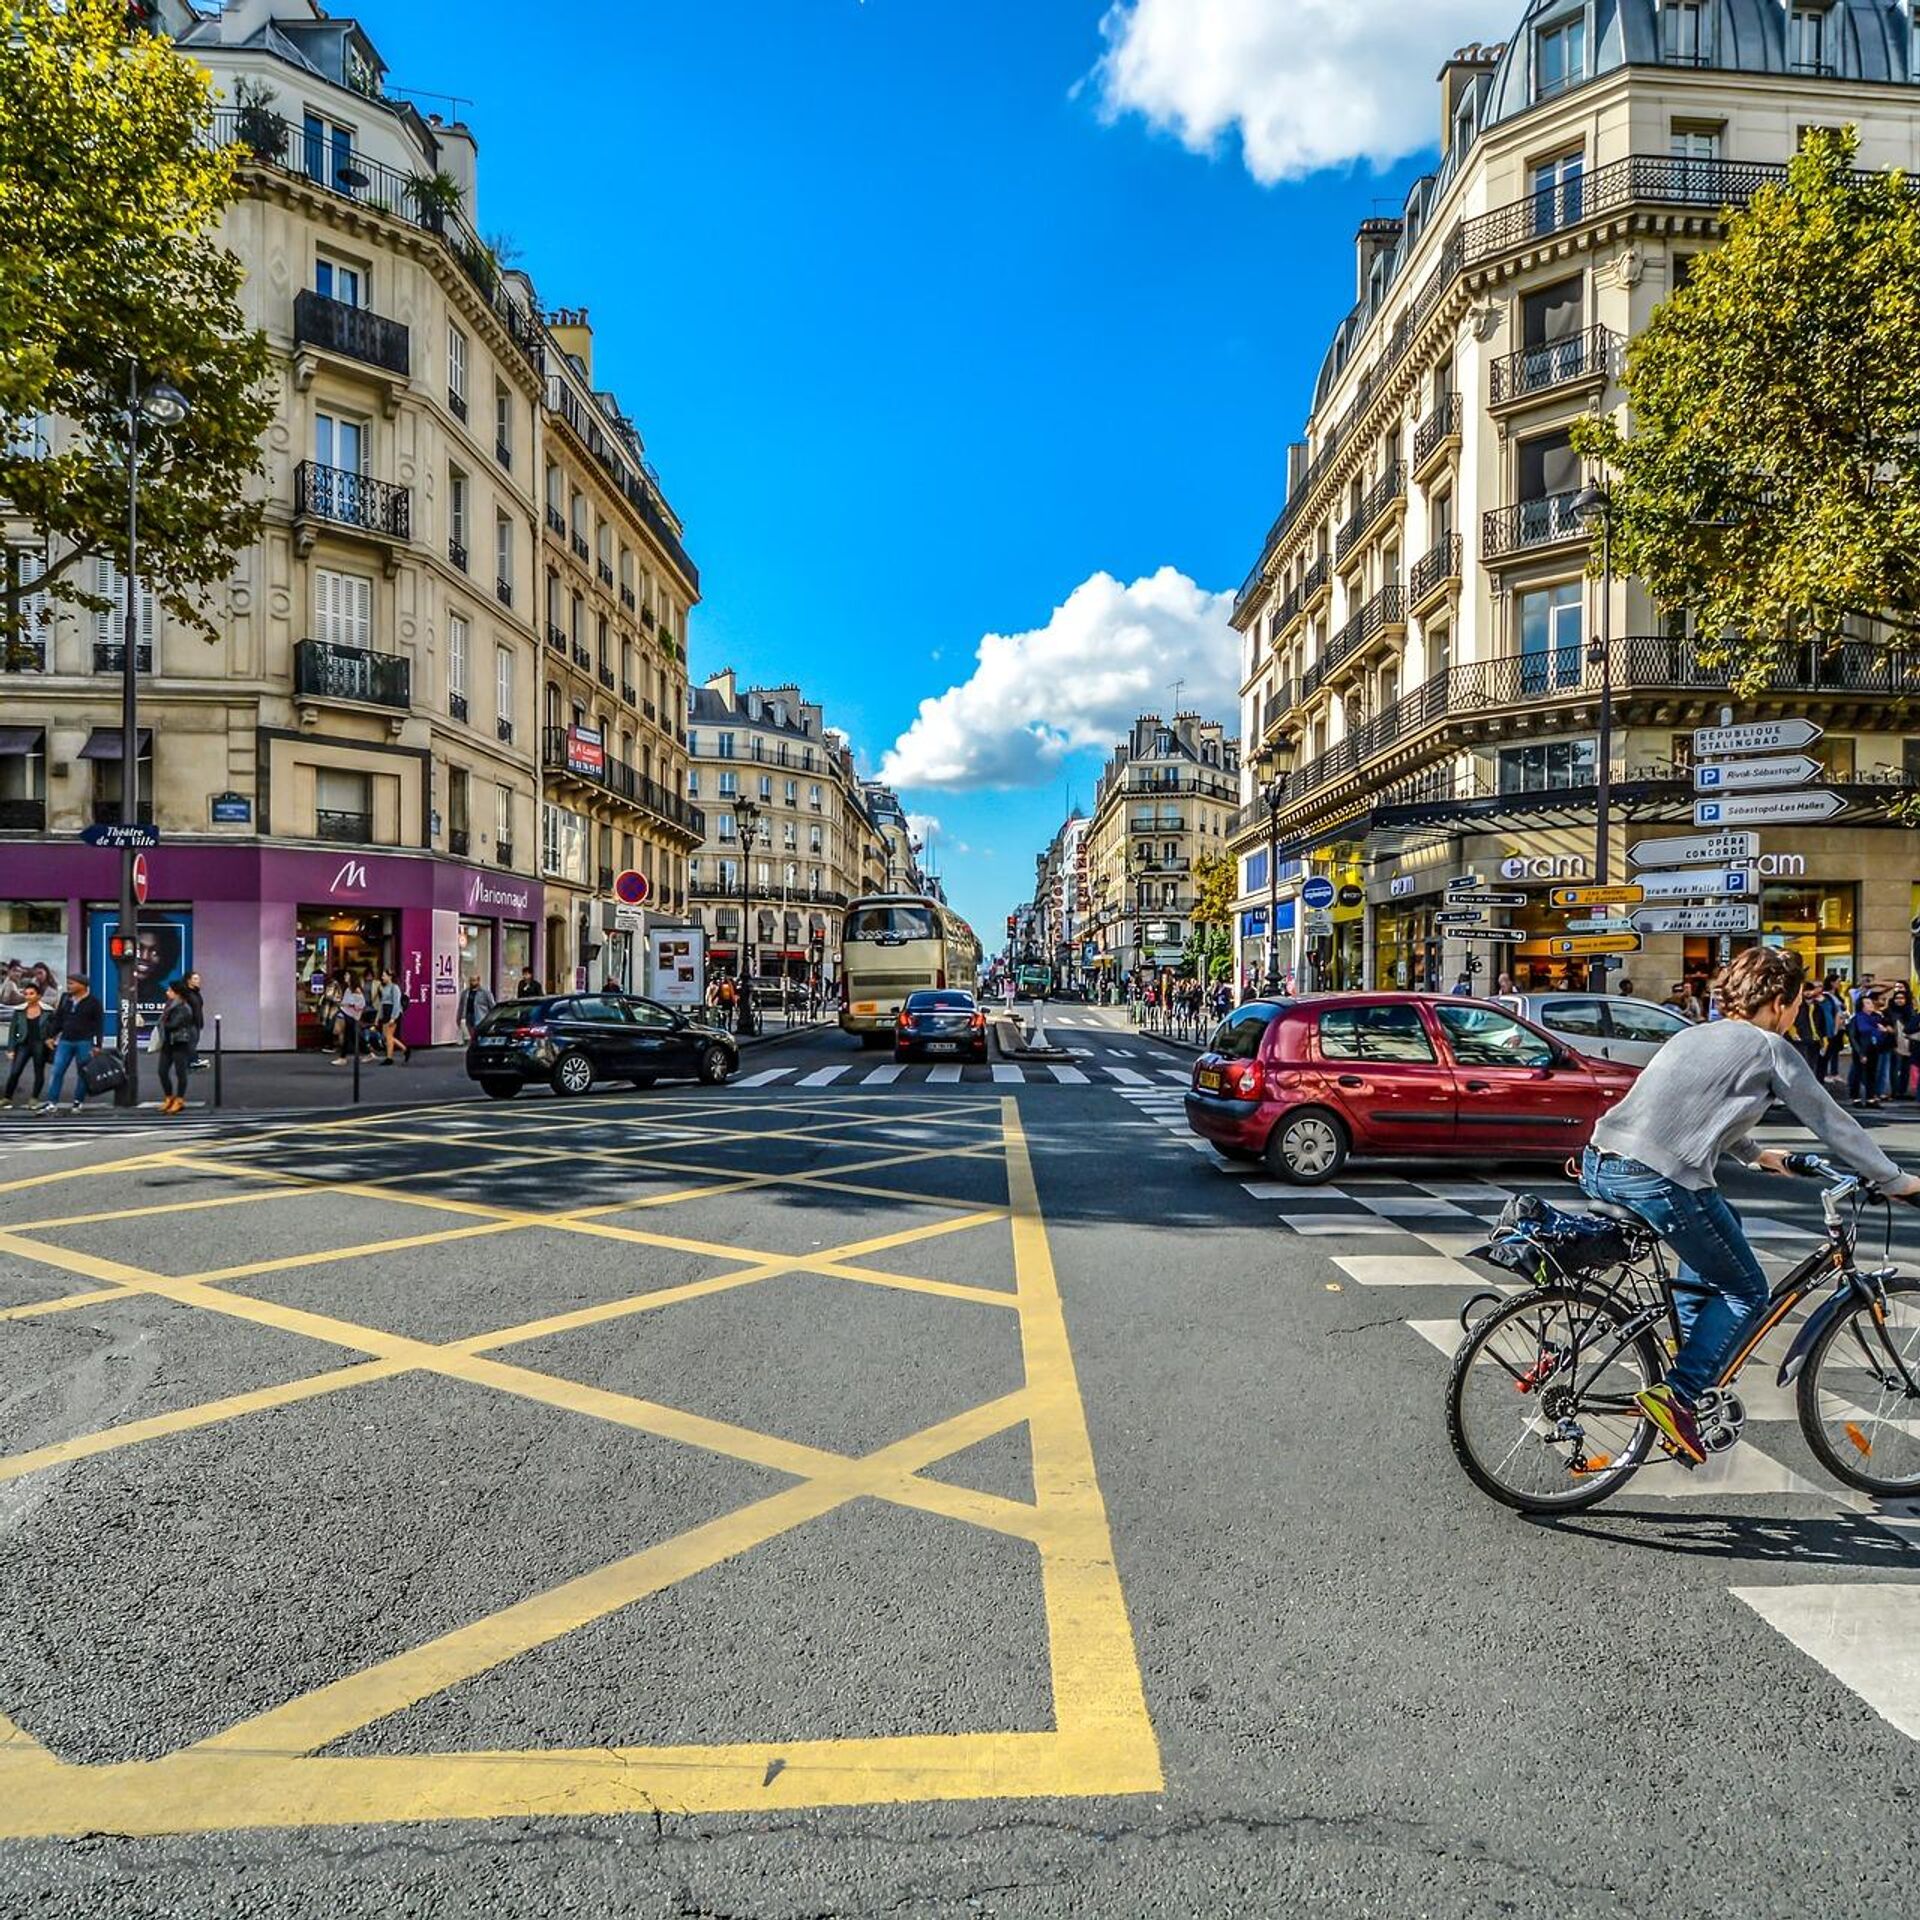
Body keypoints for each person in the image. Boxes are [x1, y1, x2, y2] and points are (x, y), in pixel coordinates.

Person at [1583, 946, 1920, 1465]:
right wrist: (1895, 1180)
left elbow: (1695, 1106)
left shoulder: (1693, 1034)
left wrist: (1757, 1153)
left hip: (1601, 1163)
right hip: (1660, 1179)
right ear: (1782, 1002)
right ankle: (1680, 1395)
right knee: (1748, 1289)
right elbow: (1834, 1124)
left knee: (1721, 1229)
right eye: (1796, 1003)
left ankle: (1694, 1358)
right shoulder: (1769, 1048)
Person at [40, 972, 104, 1114]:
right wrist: (51, 1036)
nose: (69, 986)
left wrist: (97, 1045)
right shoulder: (65, 999)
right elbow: (59, 1019)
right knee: (57, 1071)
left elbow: (98, 1025)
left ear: (82, 985)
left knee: (83, 1073)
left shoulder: (94, 1002)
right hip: (65, 1040)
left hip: (84, 1041)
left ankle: (78, 1102)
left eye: (72, 983)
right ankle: (52, 1102)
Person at [154, 980, 198, 1114]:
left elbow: (173, 1024)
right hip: (168, 1043)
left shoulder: (183, 1008)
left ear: (176, 993)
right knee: (162, 1071)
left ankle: (179, 1100)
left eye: (169, 990)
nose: (167, 992)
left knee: (180, 1073)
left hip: (180, 1043)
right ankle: (169, 1097)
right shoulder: (169, 1005)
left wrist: (161, 1023)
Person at [5, 981, 51, 1108]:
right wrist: (10, 1049)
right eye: (26, 994)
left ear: (38, 996)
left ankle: (34, 1098)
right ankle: (7, 1098)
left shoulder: (47, 1011)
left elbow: (53, 1028)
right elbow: (13, 1030)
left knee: (38, 1072)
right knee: (15, 1071)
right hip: (23, 1044)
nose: (28, 996)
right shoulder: (20, 1011)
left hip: (40, 1044)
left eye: (31, 994)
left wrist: (51, 1040)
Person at [1849, 988, 1893, 1107]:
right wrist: (1860, 1053)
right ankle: (1856, 1098)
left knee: (1872, 1074)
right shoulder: (1857, 1019)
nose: (1871, 1005)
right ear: (1862, 1006)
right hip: (1862, 1049)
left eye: (1871, 1003)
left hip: (1874, 1049)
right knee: (1858, 1073)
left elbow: (1887, 1029)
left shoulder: (1877, 1018)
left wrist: (1885, 1031)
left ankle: (1870, 1098)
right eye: (1867, 1003)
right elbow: (1853, 1037)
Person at [1887, 984, 1920, 1102]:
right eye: (1897, 998)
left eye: (1902, 998)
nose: (1899, 1001)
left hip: (1909, 1043)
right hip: (1895, 1043)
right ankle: (1895, 1091)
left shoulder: (1911, 1012)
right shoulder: (1890, 1012)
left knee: (1906, 1068)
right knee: (1895, 1067)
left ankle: (1902, 1091)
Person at [376, 968, 410, 1065]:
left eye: (384, 975)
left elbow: (396, 1003)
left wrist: (393, 1017)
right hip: (386, 1012)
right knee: (386, 1036)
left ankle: (389, 1057)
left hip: (391, 1012)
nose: (382, 977)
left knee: (389, 1035)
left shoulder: (394, 988)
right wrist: (380, 1016)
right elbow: (382, 1002)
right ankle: (405, 1049)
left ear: (389, 976)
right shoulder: (385, 987)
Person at [333, 973, 367, 1063]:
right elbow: (346, 1002)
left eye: (347, 975)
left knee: (349, 1036)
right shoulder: (349, 989)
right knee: (351, 1036)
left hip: (351, 1015)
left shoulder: (355, 989)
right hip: (347, 1013)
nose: (345, 977)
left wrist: (349, 1004)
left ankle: (343, 1058)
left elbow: (361, 1003)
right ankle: (367, 1053)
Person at [181, 968, 208, 1069]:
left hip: (197, 1021)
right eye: (195, 979)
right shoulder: (186, 993)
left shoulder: (196, 992)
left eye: (198, 979)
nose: (198, 981)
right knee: (191, 1042)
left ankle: (193, 1059)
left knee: (194, 1041)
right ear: (189, 981)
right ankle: (192, 1061)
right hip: (189, 1022)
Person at [457, 973, 494, 1043]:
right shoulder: (465, 993)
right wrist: (459, 1017)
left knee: (478, 1034)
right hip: (468, 1016)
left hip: (481, 1017)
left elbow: (492, 1005)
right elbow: (461, 1006)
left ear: (478, 981)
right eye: (470, 981)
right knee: (471, 1035)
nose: (472, 982)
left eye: (474, 980)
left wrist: (491, 1018)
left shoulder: (485, 992)